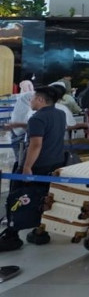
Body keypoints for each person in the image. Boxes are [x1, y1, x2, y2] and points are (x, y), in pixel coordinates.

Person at [0, 86, 67, 251]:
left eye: (33, 98)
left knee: (17, 197)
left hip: (37, 165)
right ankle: (40, 231)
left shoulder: (37, 118)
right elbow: (45, 128)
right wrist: (19, 124)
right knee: (44, 198)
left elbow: (36, 144)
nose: (30, 101)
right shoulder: (60, 114)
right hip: (55, 163)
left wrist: (27, 167)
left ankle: (12, 235)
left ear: (40, 100)